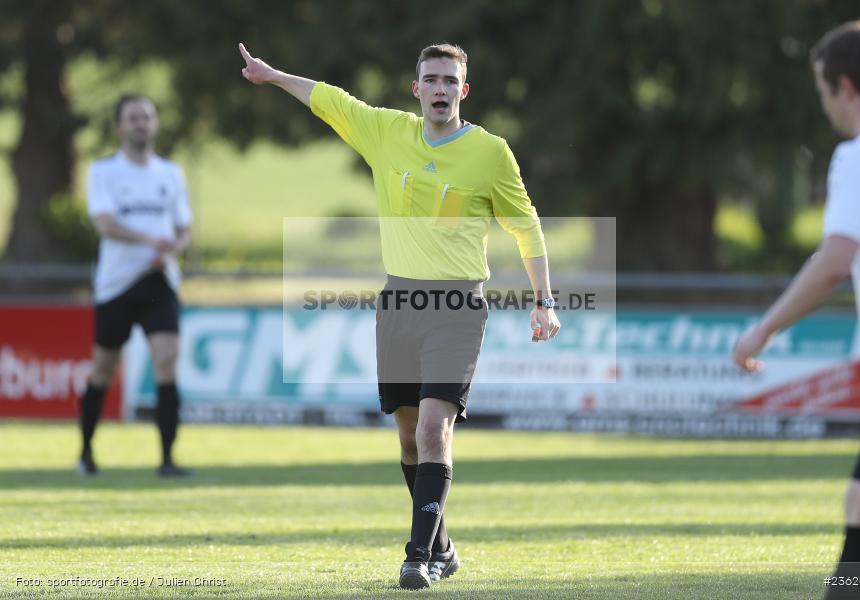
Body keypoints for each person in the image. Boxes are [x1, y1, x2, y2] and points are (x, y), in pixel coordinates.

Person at [239, 41, 561, 589]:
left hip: (458, 306)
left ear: (464, 90)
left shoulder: (490, 152)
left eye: (449, 81)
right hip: (399, 302)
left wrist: (545, 300)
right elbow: (332, 100)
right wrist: (273, 77)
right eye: (430, 80)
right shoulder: (387, 132)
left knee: (437, 428)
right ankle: (444, 546)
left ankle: (417, 557)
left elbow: (525, 226)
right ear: (417, 89)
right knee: (410, 438)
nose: (439, 89)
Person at [733, 21, 860, 600]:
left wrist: (763, 329)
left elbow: (835, 261)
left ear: (845, 87)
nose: (824, 101)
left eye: (824, 89)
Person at [78, 93, 193, 478]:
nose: (141, 123)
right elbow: (104, 223)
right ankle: (86, 452)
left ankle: (167, 460)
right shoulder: (104, 171)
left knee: (166, 361)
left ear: (155, 124)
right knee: (103, 370)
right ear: (120, 127)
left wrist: (174, 247)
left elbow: (184, 228)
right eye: (133, 117)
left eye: (147, 116)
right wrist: (151, 242)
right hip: (116, 284)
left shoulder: (170, 173)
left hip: (158, 280)